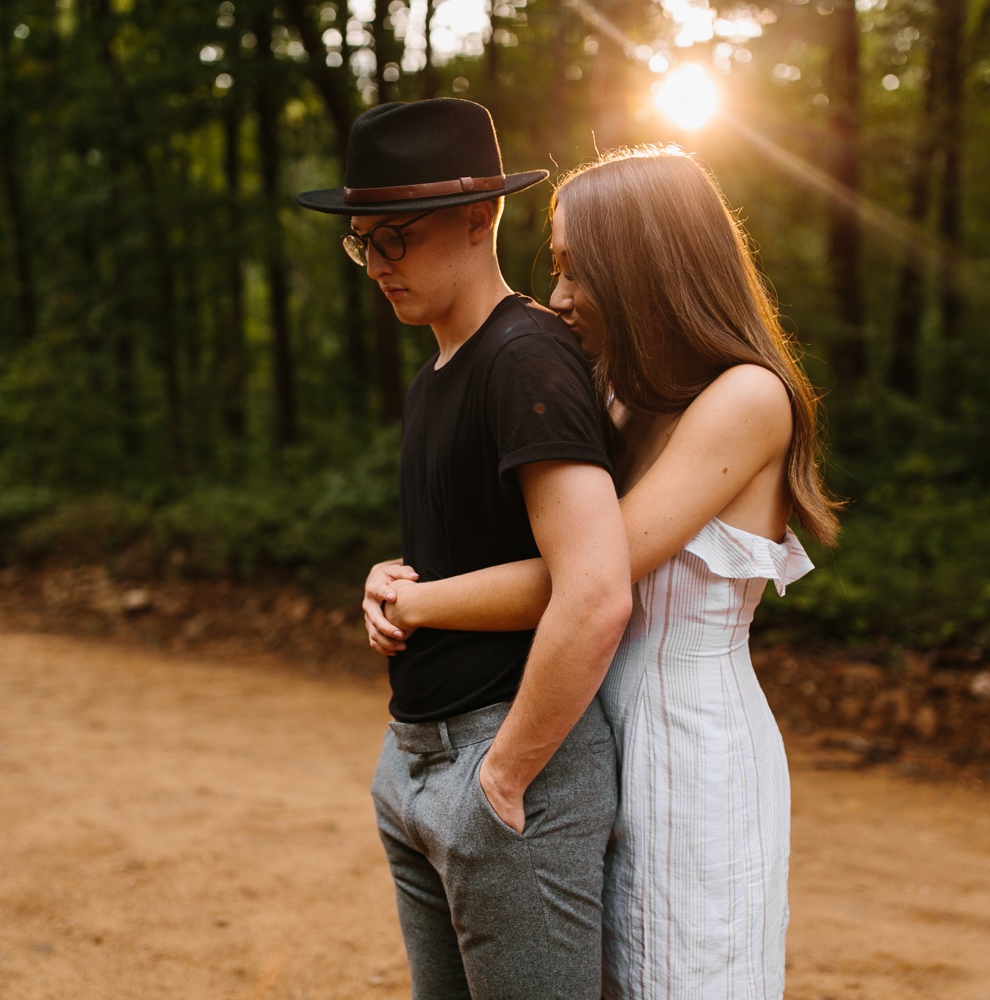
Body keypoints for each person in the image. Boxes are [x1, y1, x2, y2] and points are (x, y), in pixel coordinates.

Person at [363, 145, 841, 999]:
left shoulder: (745, 398)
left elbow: (585, 580)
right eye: (557, 268)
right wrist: (396, 576)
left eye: (578, 270)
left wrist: (419, 604)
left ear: (646, 266)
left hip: (689, 749)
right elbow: (523, 546)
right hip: (592, 729)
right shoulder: (619, 396)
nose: (558, 296)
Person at [297, 99, 633, 998]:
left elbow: (595, 586)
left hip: (505, 756)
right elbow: (478, 550)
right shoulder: (435, 376)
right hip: (414, 756)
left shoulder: (525, 358)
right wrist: (390, 584)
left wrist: (503, 778)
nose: (376, 263)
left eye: (396, 237)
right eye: (362, 241)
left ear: (479, 217)